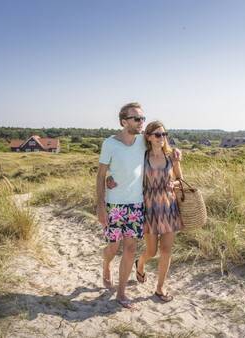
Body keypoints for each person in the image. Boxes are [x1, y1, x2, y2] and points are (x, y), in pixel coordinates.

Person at [96, 102, 146, 309]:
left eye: (143, 118)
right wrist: (100, 206)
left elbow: (163, 148)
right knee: (113, 247)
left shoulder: (144, 140)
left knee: (131, 248)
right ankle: (106, 265)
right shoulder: (110, 144)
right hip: (114, 205)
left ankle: (121, 292)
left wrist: (176, 156)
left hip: (136, 205)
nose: (141, 122)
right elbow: (100, 176)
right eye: (137, 119)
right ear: (124, 121)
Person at [134, 121, 184, 302]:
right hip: (149, 208)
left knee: (166, 250)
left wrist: (174, 183)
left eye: (164, 134)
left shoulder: (172, 157)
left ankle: (160, 288)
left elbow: (181, 180)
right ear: (148, 137)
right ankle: (139, 264)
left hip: (169, 207)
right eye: (157, 134)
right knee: (152, 251)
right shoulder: (142, 157)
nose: (161, 138)